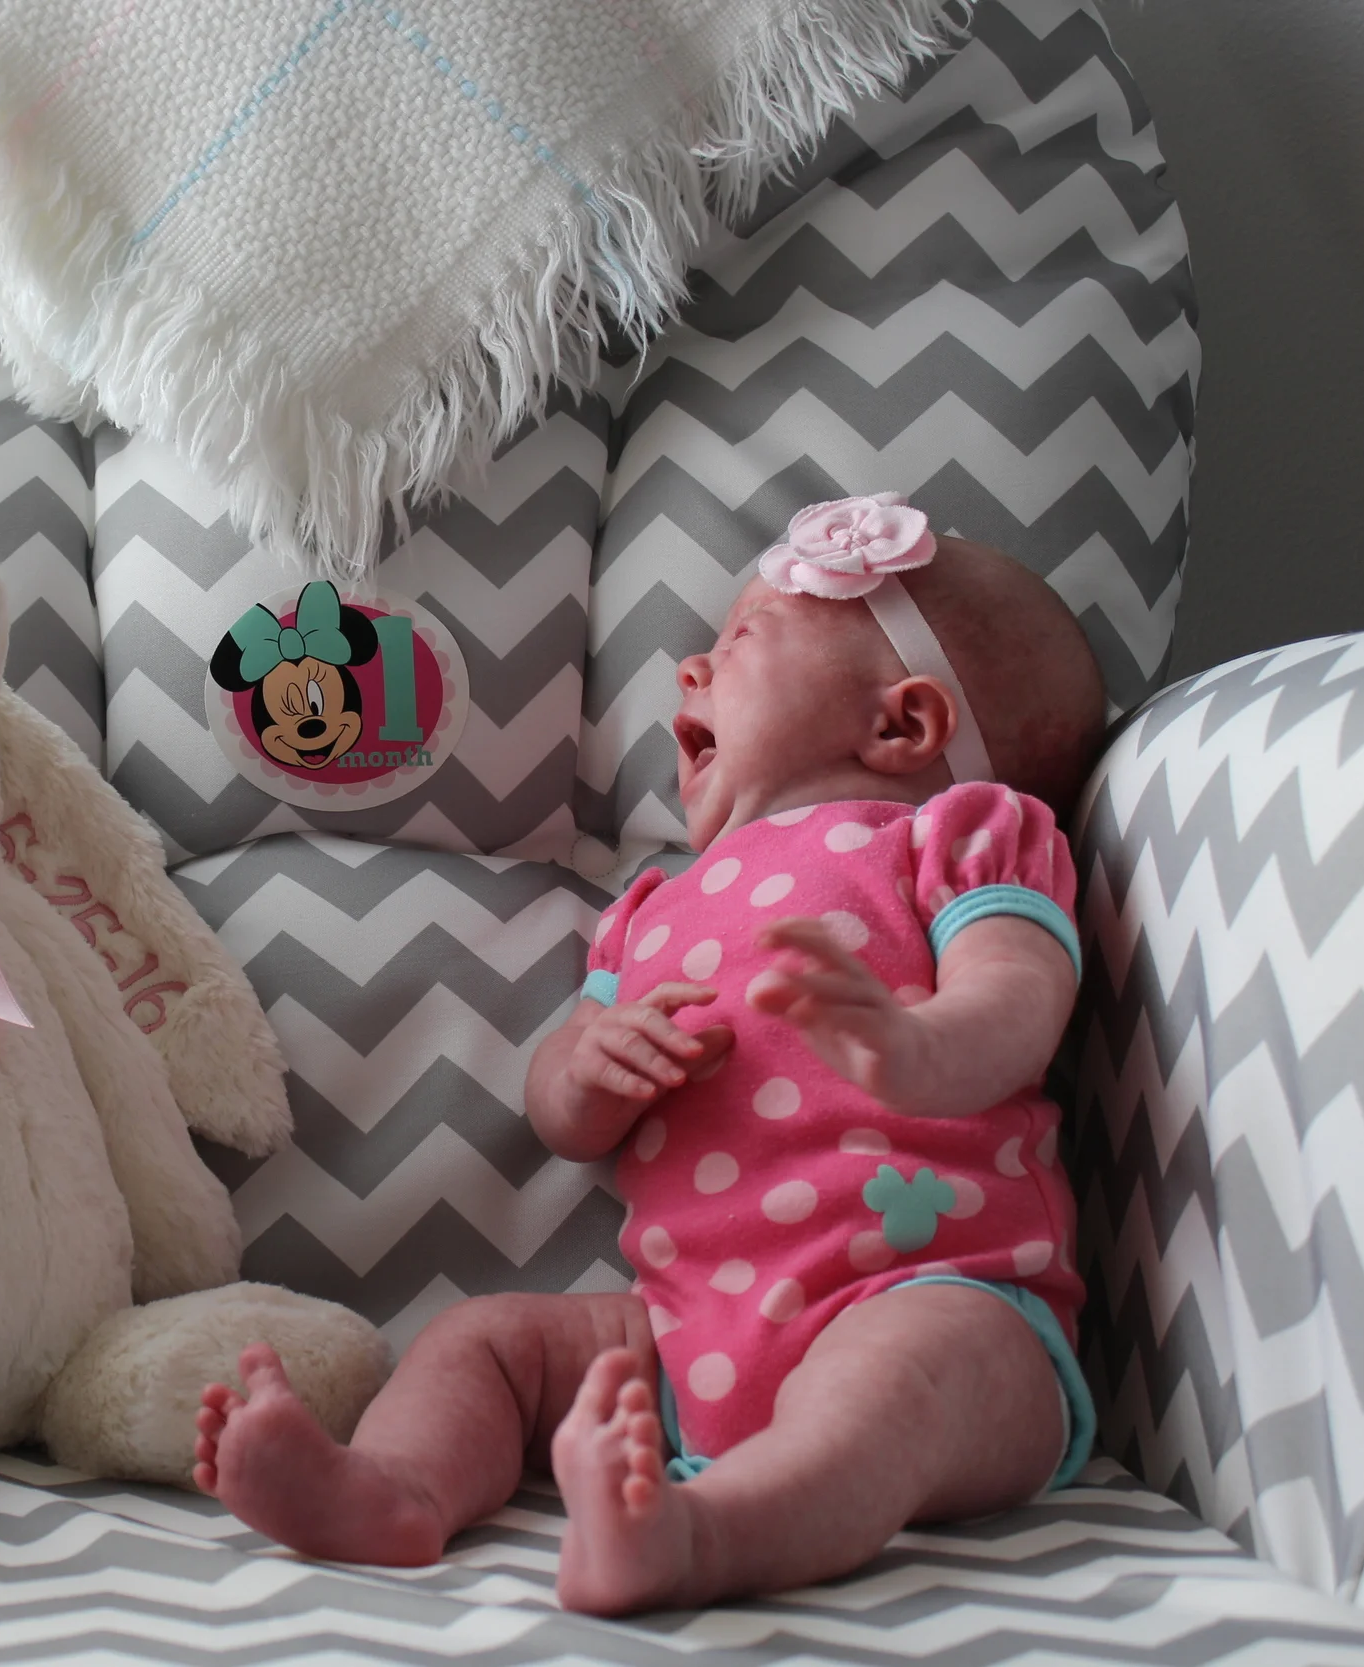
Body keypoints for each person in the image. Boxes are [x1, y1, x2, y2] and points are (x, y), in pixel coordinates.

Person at [190, 494, 1111, 1615]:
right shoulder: (651, 908)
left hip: (939, 1295)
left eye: (741, 638)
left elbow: (1022, 994)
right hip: (685, 1337)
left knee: (898, 1381)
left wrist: (917, 1048)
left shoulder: (959, 832)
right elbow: (563, 1120)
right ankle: (396, 1488)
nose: (689, 667)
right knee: (486, 1341)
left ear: (902, 724)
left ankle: (707, 1534)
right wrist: (583, 1072)